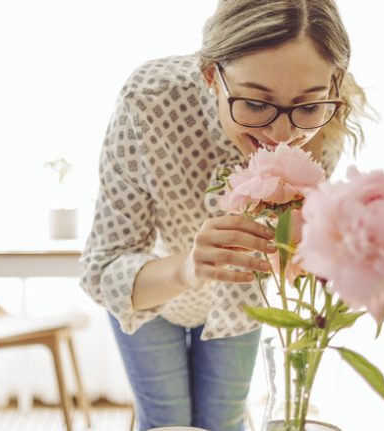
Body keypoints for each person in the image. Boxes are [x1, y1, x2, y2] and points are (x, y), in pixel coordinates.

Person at [79, 1, 368, 430]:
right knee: (167, 422)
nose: (282, 135)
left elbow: (293, 254)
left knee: (225, 420)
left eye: (305, 107)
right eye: (255, 104)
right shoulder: (149, 102)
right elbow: (104, 270)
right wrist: (190, 268)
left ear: (334, 84)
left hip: (240, 295)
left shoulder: (323, 126)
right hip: (152, 289)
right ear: (211, 74)